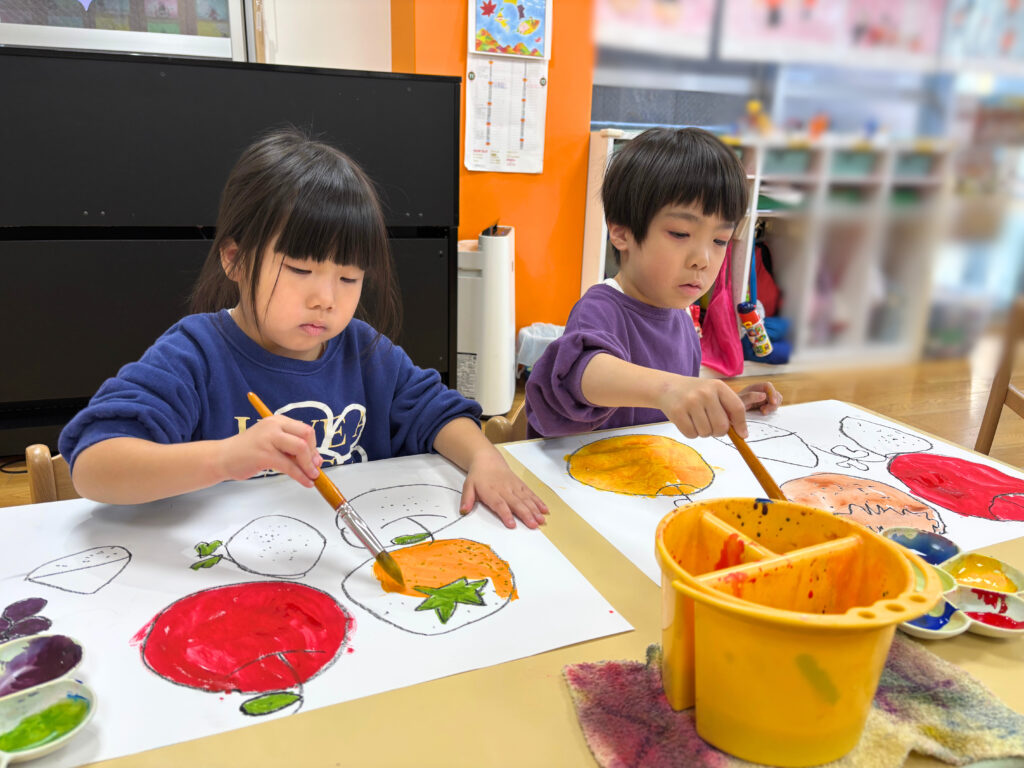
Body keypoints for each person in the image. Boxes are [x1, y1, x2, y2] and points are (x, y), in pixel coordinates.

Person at [60, 129, 547, 529]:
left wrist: (484, 459)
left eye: (349, 277)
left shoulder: (365, 351)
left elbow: (438, 413)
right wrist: (226, 458)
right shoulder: (195, 354)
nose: (326, 298)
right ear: (234, 259)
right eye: (299, 269)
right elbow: (94, 467)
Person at [526, 127, 781, 439]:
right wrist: (670, 388)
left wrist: (723, 405)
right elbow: (578, 372)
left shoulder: (683, 321)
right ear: (621, 233)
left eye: (719, 239)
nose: (702, 259)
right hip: (582, 475)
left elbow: (667, 411)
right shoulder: (601, 307)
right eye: (680, 234)